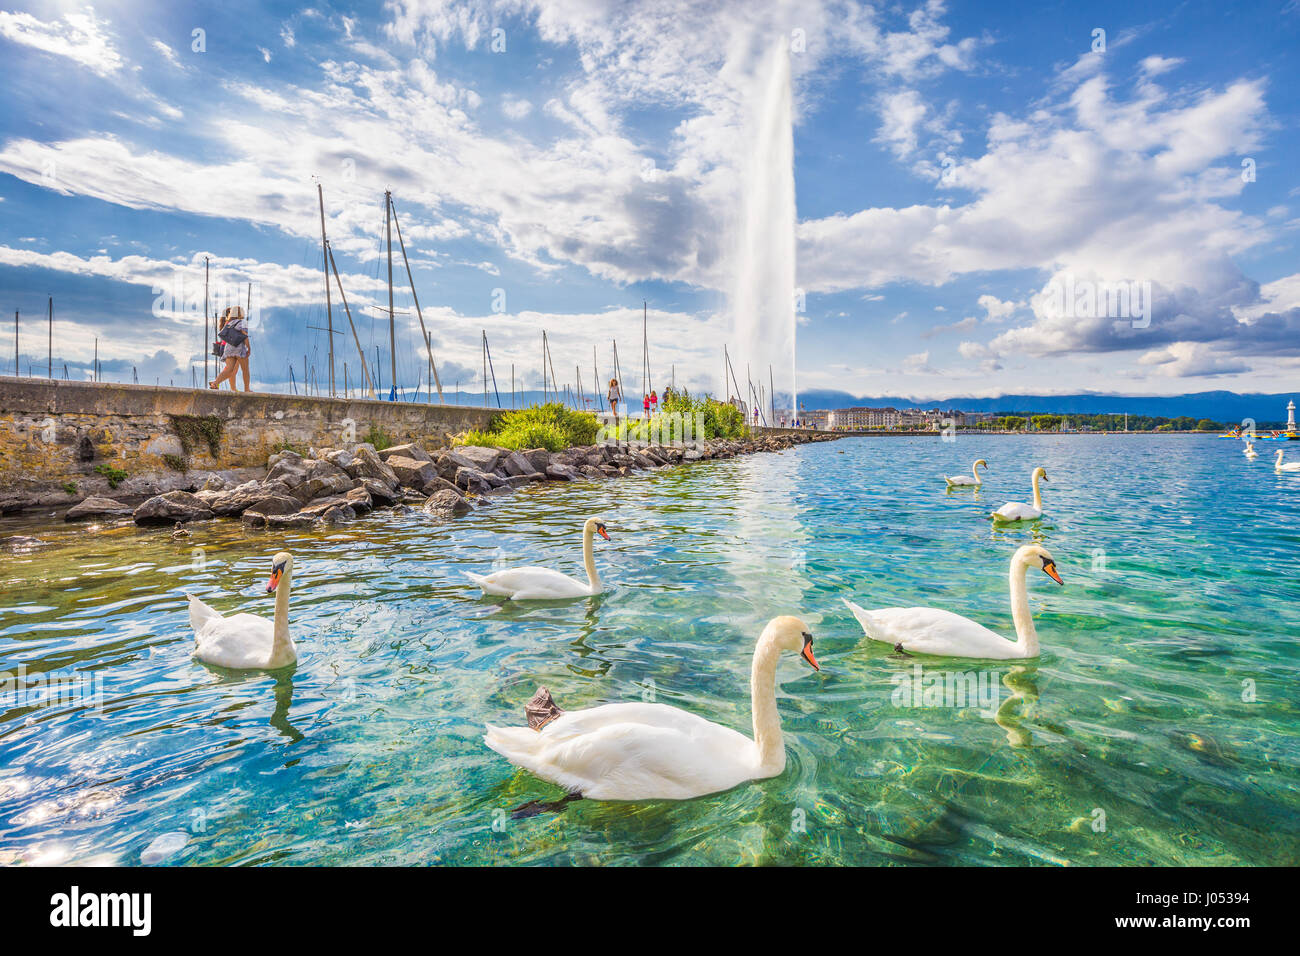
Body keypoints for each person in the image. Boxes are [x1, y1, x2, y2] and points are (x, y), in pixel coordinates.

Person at [209, 305, 250, 391]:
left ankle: (215, 383)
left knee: (229, 370)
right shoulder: (242, 322)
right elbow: (245, 336)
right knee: (245, 369)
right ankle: (247, 389)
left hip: (229, 349)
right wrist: (248, 348)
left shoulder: (229, 323)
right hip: (239, 349)